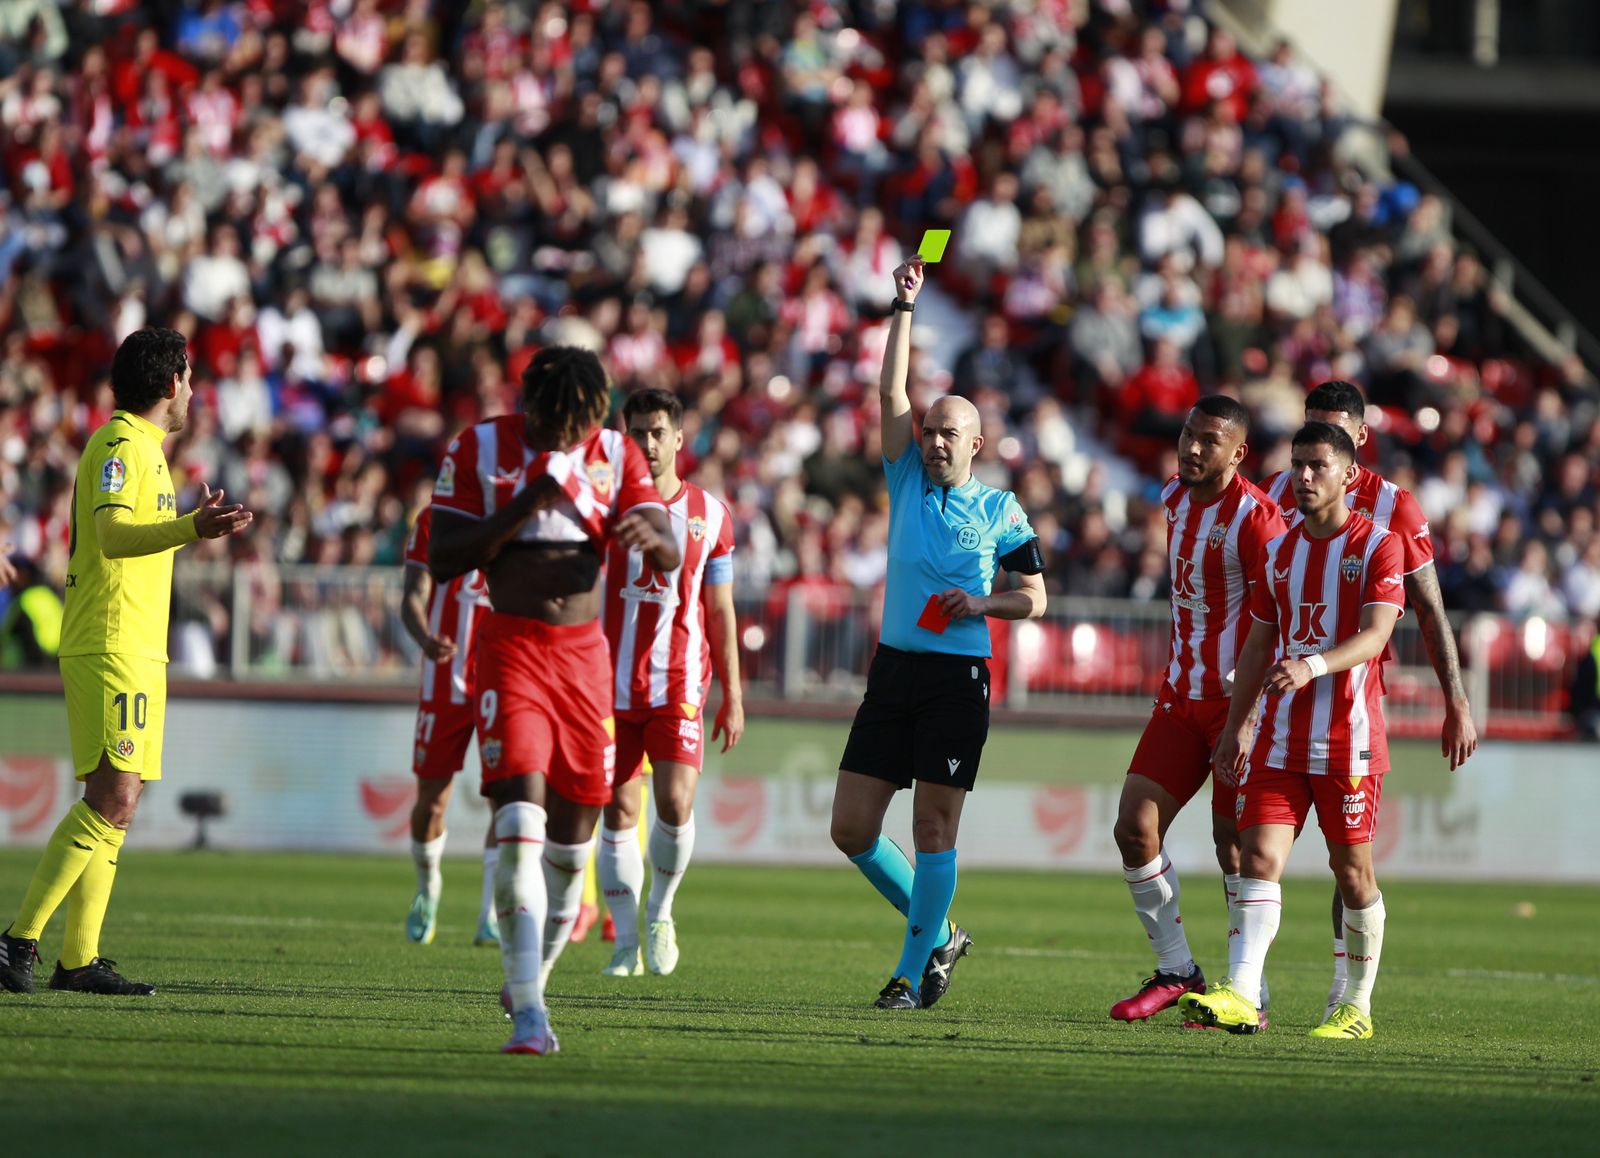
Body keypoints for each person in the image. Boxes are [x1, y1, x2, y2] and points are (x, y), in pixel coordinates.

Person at [428, 346, 678, 1056]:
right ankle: (531, 1016)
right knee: (518, 819)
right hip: (511, 653)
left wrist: (654, 540)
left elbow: (669, 548)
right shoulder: (480, 447)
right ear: (533, 409)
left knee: (573, 852)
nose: (569, 438)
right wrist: (524, 505)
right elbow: (445, 555)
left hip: (584, 665)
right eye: (557, 423)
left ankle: (532, 976)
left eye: (580, 424)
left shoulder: (616, 455)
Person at [0, 328, 253, 996]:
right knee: (112, 797)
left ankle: (78, 959)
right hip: (110, 641)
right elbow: (111, 537)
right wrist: (190, 529)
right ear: (172, 382)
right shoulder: (119, 444)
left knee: (119, 803)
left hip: (137, 645)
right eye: (191, 379)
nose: (193, 392)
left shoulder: (148, 453)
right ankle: (16, 940)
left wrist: (189, 531)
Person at [829, 259, 1047, 1011]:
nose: (934, 441)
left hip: (958, 680)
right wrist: (903, 306)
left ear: (977, 445)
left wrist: (981, 605)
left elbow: (1036, 600)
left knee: (931, 827)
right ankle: (943, 934)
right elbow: (891, 392)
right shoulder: (905, 481)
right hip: (894, 671)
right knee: (851, 828)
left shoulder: (1001, 512)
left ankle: (909, 972)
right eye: (928, 431)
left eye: (949, 433)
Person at [1180, 421, 1406, 1039]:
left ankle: (1354, 1005)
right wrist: (1236, 727)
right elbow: (1256, 645)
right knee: (1257, 857)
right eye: (1298, 465)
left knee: (1352, 872)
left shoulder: (1380, 545)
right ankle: (1243, 994)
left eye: (1318, 466)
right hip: (1280, 737)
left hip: (1348, 739)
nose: (1303, 477)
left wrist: (1312, 663)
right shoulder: (1281, 551)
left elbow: (1378, 634)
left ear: (1348, 475)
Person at [1260, 380, 1477, 1015]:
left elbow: (1429, 612)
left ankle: (1346, 994)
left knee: (1347, 859)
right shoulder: (1278, 492)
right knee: (1241, 841)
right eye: (1309, 428)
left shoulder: (1395, 509)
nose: (1314, 450)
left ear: (1359, 439)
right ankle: (1250, 987)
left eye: (1332, 431)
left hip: (1350, 694)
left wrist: (1456, 699)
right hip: (1273, 687)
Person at [1109, 395, 1286, 1026]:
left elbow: (1277, 620)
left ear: (1238, 453)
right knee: (1133, 827)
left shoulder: (1259, 520)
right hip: (1180, 697)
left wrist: (1248, 716)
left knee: (1234, 849)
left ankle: (1249, 993)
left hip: (1236, 705)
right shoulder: (1173, 497)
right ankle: (1178, 969)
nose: (1192, 448)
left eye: (1209, 441)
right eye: (1189, 435)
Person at [596, 387, 744, 978]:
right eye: (638, 433)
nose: (649, 444)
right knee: (616, 812)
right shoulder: (603, 507)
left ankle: (660, 912)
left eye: (659, 432)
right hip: (607, 684)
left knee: (675, 800)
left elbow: (722, 611)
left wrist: (733, 695)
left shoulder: (710, 516)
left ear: (679, 438)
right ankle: (625, 941)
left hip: (679, 681)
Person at [399, 504, 499, 948]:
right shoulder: (434, 519)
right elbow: (413, 595)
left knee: (507, 799)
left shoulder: (522, 509)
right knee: (430, 806)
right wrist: (424, 638)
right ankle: (428, 889)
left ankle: (492, 913)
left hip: (504, 681)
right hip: (445, 681)